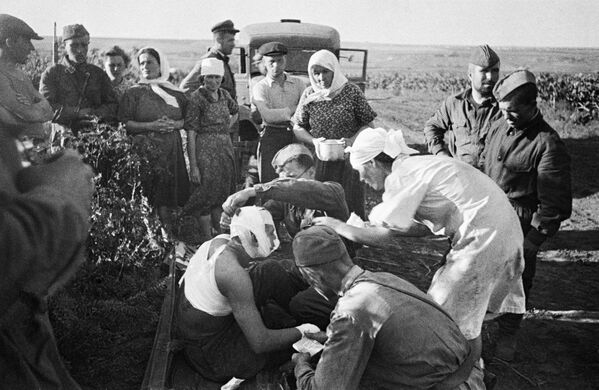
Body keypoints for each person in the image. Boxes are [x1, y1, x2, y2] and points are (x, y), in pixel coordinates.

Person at [314, 127, 526, 364]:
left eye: (361, 171)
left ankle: (466, 374)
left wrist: (336, 225)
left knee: (446, 315)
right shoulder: (417, 165)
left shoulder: (401, 177)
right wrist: (368, 227)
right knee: (464, 310)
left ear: (373, 162)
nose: (361, 179)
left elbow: (381, 238)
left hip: (485, 237)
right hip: (504, 228)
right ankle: (468, 368)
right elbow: (421, 227)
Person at [0, 14, 94, 389]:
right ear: (7, 42)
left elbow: (41, 111)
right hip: (23, 182)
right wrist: (64, 192)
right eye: (25, 42)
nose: (31, 48)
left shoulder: (15, 76)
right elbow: (37, 111)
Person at [290, 226, 483, 390]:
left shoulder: (351, 310)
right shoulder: (384, 278)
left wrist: (301, 366)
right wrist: (331, 337)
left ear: (314, 276)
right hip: (469, 374)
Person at [481, 69, 572, 361]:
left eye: (514, 112)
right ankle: (476, 326)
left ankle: (509, 332)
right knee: (480, 273)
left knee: (516, 282)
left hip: (519, 225)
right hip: (488, 216)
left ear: (533, 106)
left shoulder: (547, 144)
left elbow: (553, 205)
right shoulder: (498, 127)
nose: (507, 116)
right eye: (503, 110)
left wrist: (532, 243)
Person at [175, 206, 318, 382]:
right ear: (251, 236)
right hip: (207, 352)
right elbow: (260, 343)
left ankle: (301, 312)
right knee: (283, 351)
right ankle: (304, 324)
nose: (275, 239)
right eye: (270, 233)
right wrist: (303, 330)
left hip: (205, 326)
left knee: (270, 270)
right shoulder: (233, 274)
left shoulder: (222, 241)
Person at [222, 143, 352, 330]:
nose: (284, 183)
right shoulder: (284, 201)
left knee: (301, 304)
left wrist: (253, 190)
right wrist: (237, 219)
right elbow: (261, 217)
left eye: (291, 176)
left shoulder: (333, 192)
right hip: (303, 270)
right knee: (267, 271)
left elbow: (297, 189)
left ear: (312, 171)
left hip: (335, 277)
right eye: (280, 178)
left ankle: (324, 335)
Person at [293, 49, 376, 219]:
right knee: (320, 200)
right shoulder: (310, 94)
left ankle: (352, 240)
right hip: (320, 159)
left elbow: (369, 124)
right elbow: (298, 127)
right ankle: (322, 239)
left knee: (350, 201)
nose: (321, 78)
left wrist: (352, 140)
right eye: (316, 73)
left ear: (335, 71)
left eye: (325, 72)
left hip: (349, 160)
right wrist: (314, 141)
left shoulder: (351, 92)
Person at [118, 47, 190, 231]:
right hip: (145, 150)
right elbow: (125, 123)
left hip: (171, 150)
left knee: (168, 198)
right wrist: (151, 126)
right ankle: (149, 236)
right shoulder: (133, 93)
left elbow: (187, 120)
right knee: (149, 195)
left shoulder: (175, 93)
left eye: (149, 62)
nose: (145, 66)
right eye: (141, 63)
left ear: (160, 64)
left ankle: (168, 235)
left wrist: (174, 125)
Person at [181, 57, 238, 243]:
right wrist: (194, 166)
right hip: (205, 152)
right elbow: (191, 132)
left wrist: (225, 127)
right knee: (205, 193)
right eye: (209, 77)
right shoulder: (196, 99)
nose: (213, 82)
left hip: (224, 150)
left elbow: (235, 111)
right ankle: (207, 239)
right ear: (202, 78)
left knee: (221, 193)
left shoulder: (224, 95)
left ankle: (219, 236)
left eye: (217, 77)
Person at [423, 44, 502, 167]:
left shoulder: (504, 107)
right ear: (470, 75)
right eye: (484, 71)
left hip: (491, 180)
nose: (490, 77)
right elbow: (432, 126)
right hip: (460, 176)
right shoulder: (454, 103)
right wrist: (441, 153)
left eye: (495, 70)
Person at [39, 24, 118, 134]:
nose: (80, 50)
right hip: (64, 139)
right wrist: (77, 113)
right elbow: (45, 108)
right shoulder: (52, 74)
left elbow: (112, 105)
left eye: (84, 45)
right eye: (74, 45)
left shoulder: (98, 74)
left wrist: (95, 114)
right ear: (64, 46)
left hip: (95, 138)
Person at [252, 42, 305, 182]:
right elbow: (268, 116)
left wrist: (286, 113)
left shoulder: (299, 84)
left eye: (279, 61)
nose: (276, 66)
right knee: (270, 180)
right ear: (264, 63)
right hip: (272, 137)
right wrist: (292, 110)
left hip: (296, 136)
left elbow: (305, 111)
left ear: (285, 60)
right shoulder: (260, 88)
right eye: (271, 62)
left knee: (296, 180)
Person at [179, 19, 238, 99]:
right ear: (219, 40)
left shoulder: (221, 59)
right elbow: (185, 89)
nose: (233, 44)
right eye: (230, 41)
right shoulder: (208, 60)